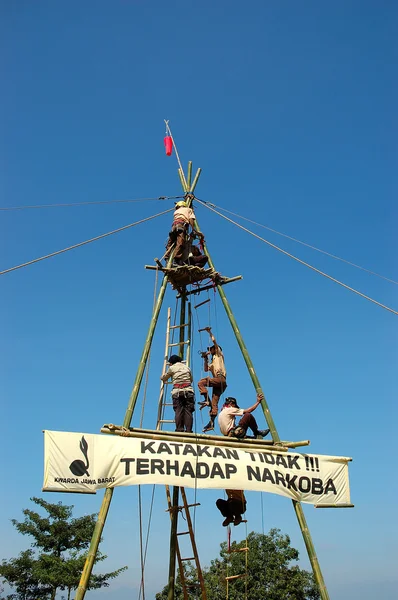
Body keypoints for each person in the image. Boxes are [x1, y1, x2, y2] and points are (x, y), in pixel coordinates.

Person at [197, 327, 227, 433]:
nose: (210, 350)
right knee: (214, 404)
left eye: (211, 349)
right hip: (218, 383)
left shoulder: (219, 355)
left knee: (201, 383)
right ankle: (211, 423)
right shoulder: (213, 361)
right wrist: (205, 358)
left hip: (220, 379)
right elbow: (206, 369)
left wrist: (210, 333)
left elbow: (214, 342)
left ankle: (206, 400)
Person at [161, 355, 195, 433]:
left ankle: (179, 430)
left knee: (178, 411)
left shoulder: (172, 368)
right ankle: (189, 430)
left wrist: (162, 378)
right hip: (188, 391)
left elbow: (165, 378)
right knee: (188, 411)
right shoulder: (187, 368)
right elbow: (191, 379)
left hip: (177, 391)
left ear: (172, 362)